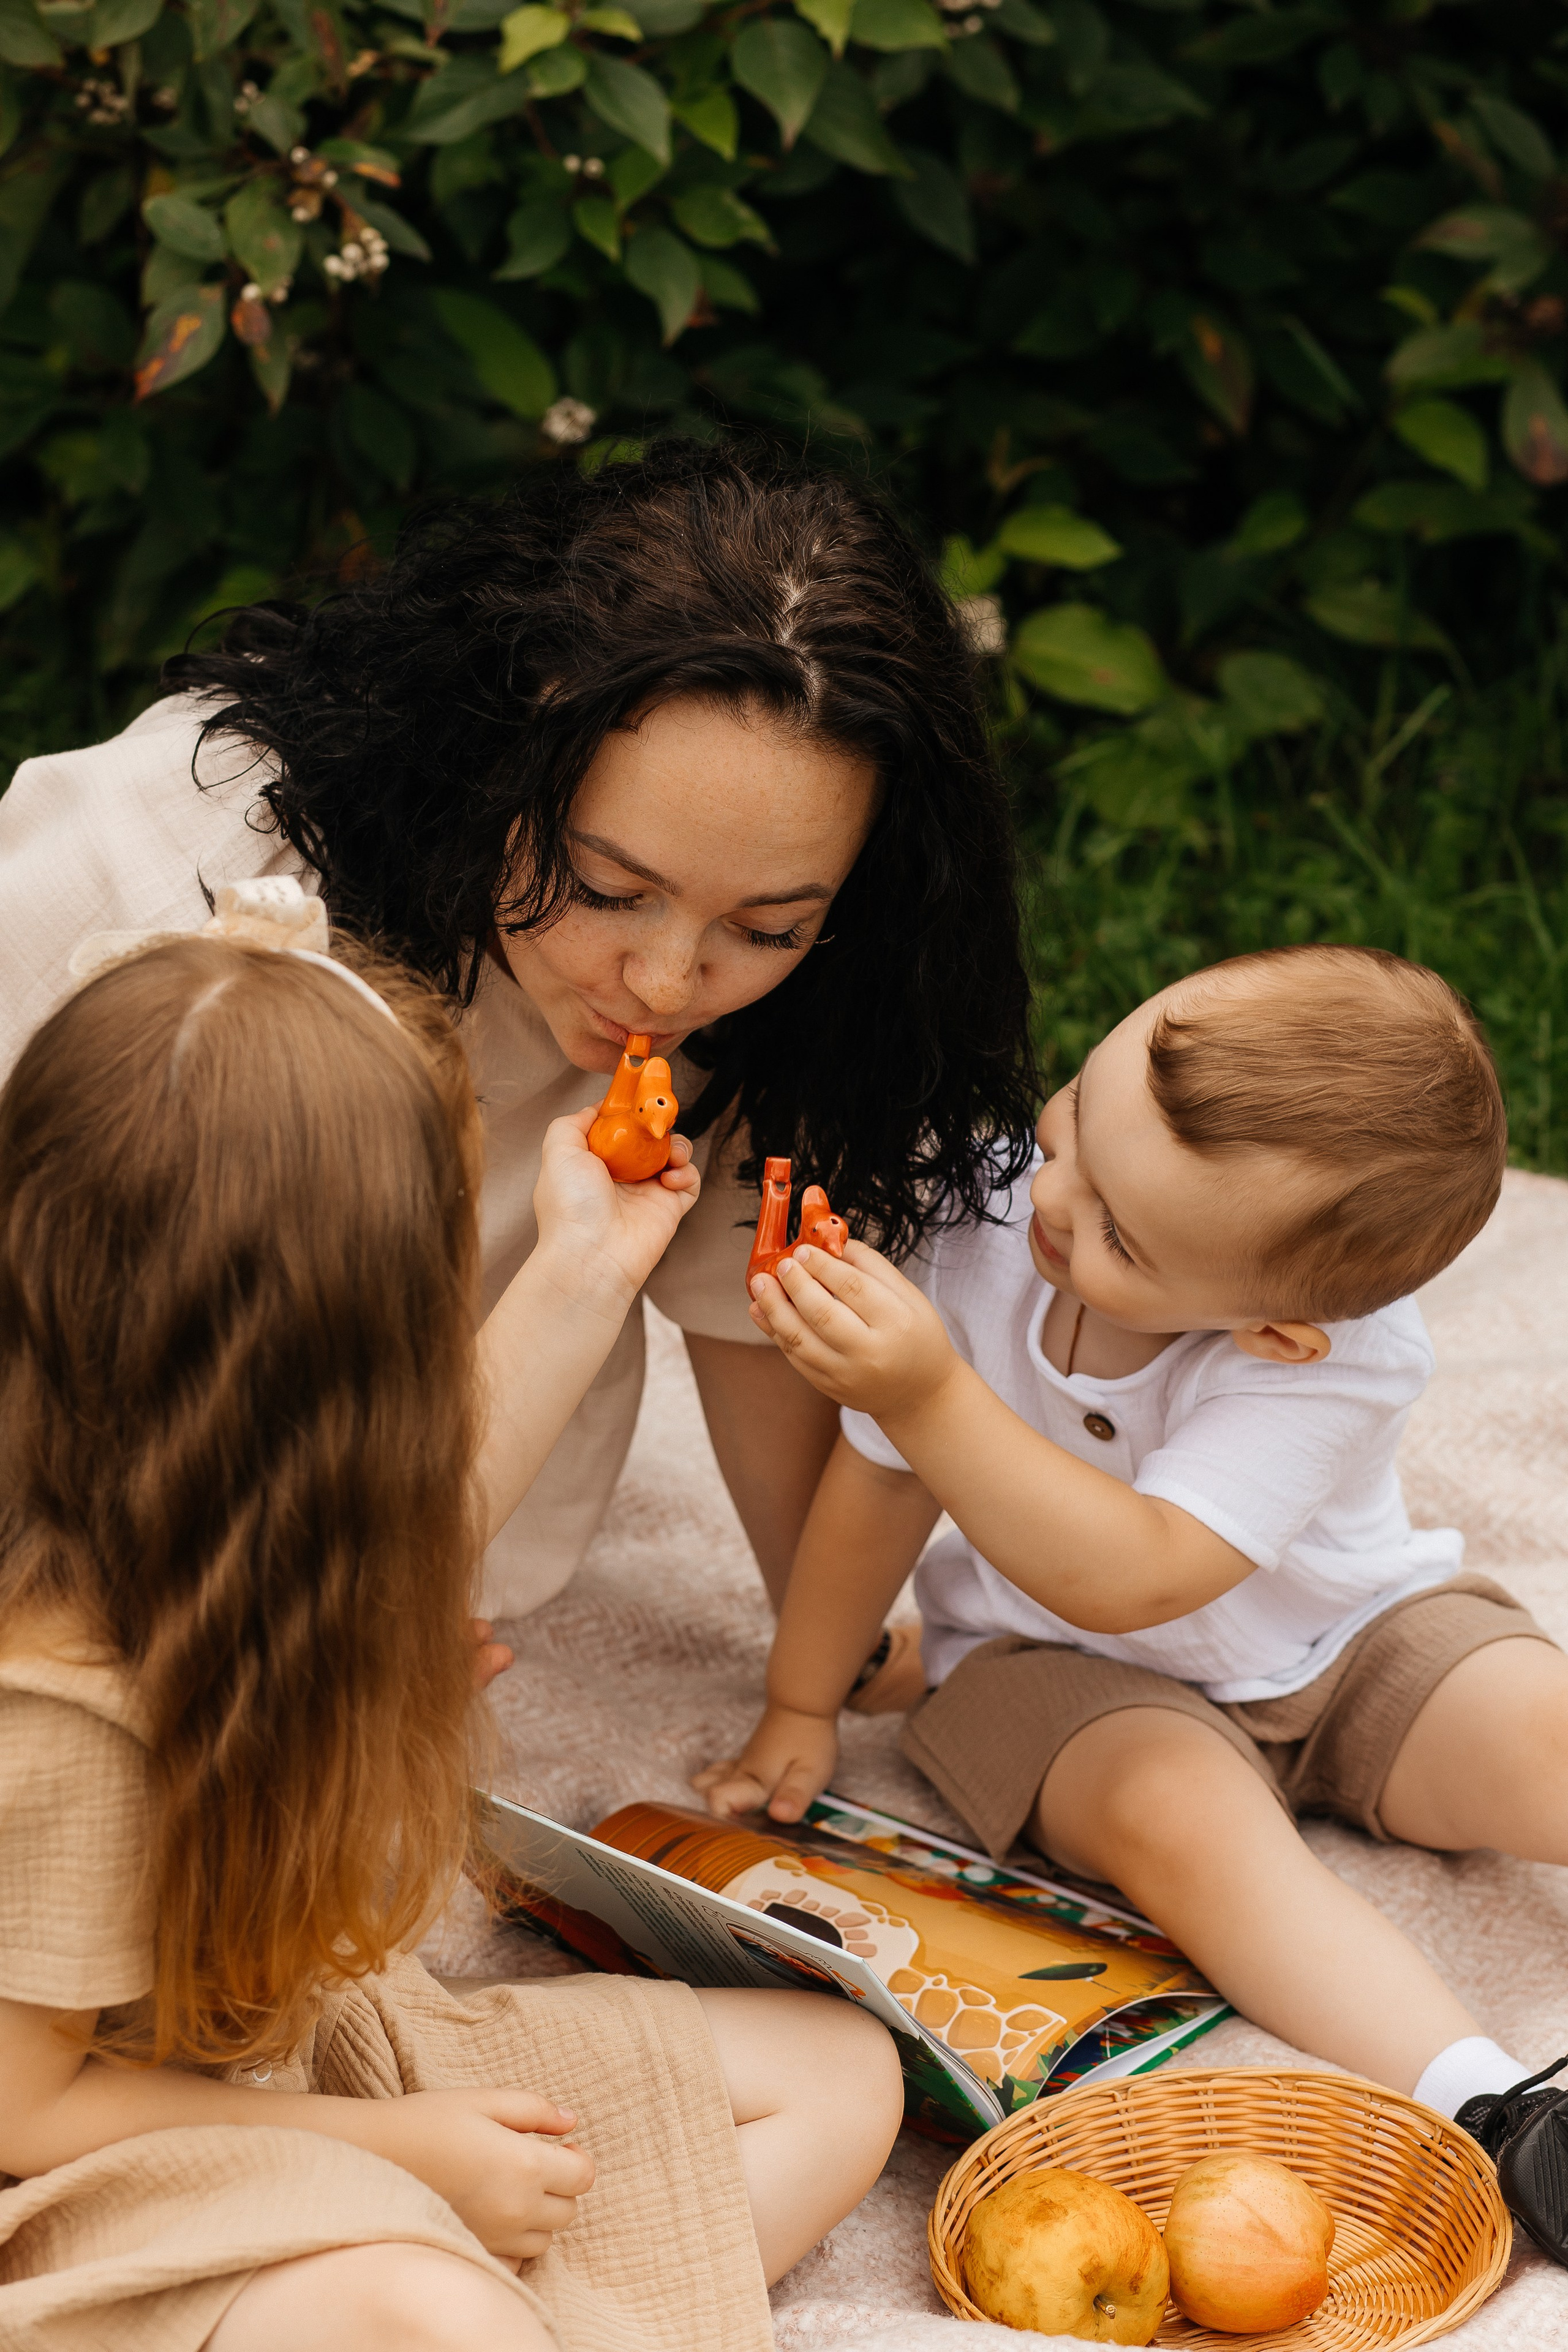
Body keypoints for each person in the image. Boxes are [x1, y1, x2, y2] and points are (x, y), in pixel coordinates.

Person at [0, 902, 903, 2352]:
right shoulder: (55, 1711)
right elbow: (29, 2106)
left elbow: (428, 1520)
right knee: (422, 2310)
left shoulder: (238, 1508)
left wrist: (588, 1261)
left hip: (276, 2052)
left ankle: (523, 2304)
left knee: (843, 2071)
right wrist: (411, 2158)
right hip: (97, 2161)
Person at [0, 442, 1036, 1664]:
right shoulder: (166, 868)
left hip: (404, 1555)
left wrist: (833, 1652)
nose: (662, 985)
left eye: (768, 928)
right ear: (501, 749)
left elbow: (750, 1307)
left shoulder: (779, 1010)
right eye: (606, 888)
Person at [695, 943, 1568, 2134]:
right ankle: (1487, 2105)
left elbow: (1138, 1568)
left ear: (1276, 1333)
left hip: (1342, 1638)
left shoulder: (1339, 1362)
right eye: (1071, 1126)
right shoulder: (977, 1218)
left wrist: (930, 1393)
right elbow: (881, 1481)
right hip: (1054, 1673)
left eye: (1118, 1236)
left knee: (1536, 1727)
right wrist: (803, 1698)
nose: (1046, 1204)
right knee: (1185, 1830)